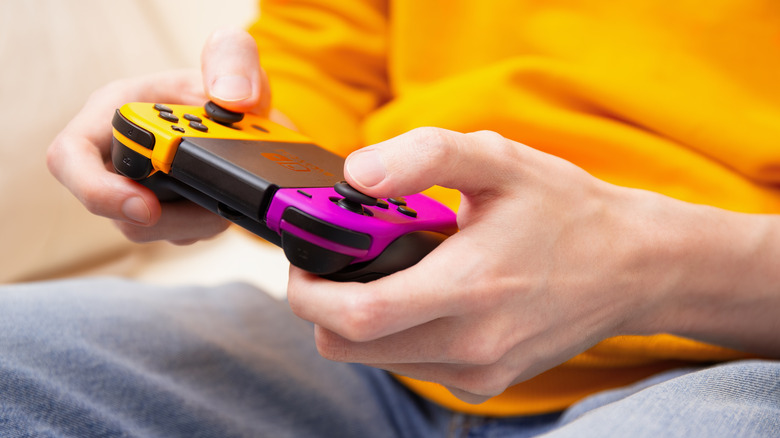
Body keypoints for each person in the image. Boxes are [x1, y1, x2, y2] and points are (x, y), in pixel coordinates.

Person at [4, 0, 778, 436]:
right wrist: (233, 136)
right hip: (367, 353)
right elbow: (321, 56)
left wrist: (655, 268)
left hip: (716, 371)